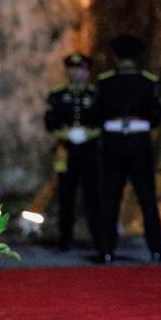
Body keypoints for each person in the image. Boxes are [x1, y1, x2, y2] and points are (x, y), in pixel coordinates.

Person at [97, 35, 161, 264]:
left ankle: (106, 251)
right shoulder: (148, 82)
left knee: (110, 198)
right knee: (146, 197)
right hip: (139, 143)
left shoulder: (105, 82)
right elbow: (156, 115)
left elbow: (98, 114)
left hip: (113, 143)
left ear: (116, 57)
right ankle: (156, 251)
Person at [45, 53, 103, 252]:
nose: (75, 72)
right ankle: (65, 239)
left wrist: (90, 133)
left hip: (89, 151)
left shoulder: (95, 94)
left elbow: (101, 120)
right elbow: (50, 121)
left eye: (80, 69)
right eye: (72, 68)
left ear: (87, 72)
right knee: (66, 196)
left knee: (93, 196)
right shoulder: (58, 94)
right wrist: (65, 133)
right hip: (66, 150)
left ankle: (98, 238)